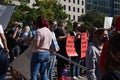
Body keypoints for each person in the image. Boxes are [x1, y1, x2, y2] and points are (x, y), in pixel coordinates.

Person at [30, 15, 53, 80]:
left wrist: (32, 42)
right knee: (43, 73)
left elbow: (36, 44)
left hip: (38, 53)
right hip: (47, 53)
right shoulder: (49, 31)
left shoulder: (39, 31)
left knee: (34, 74)